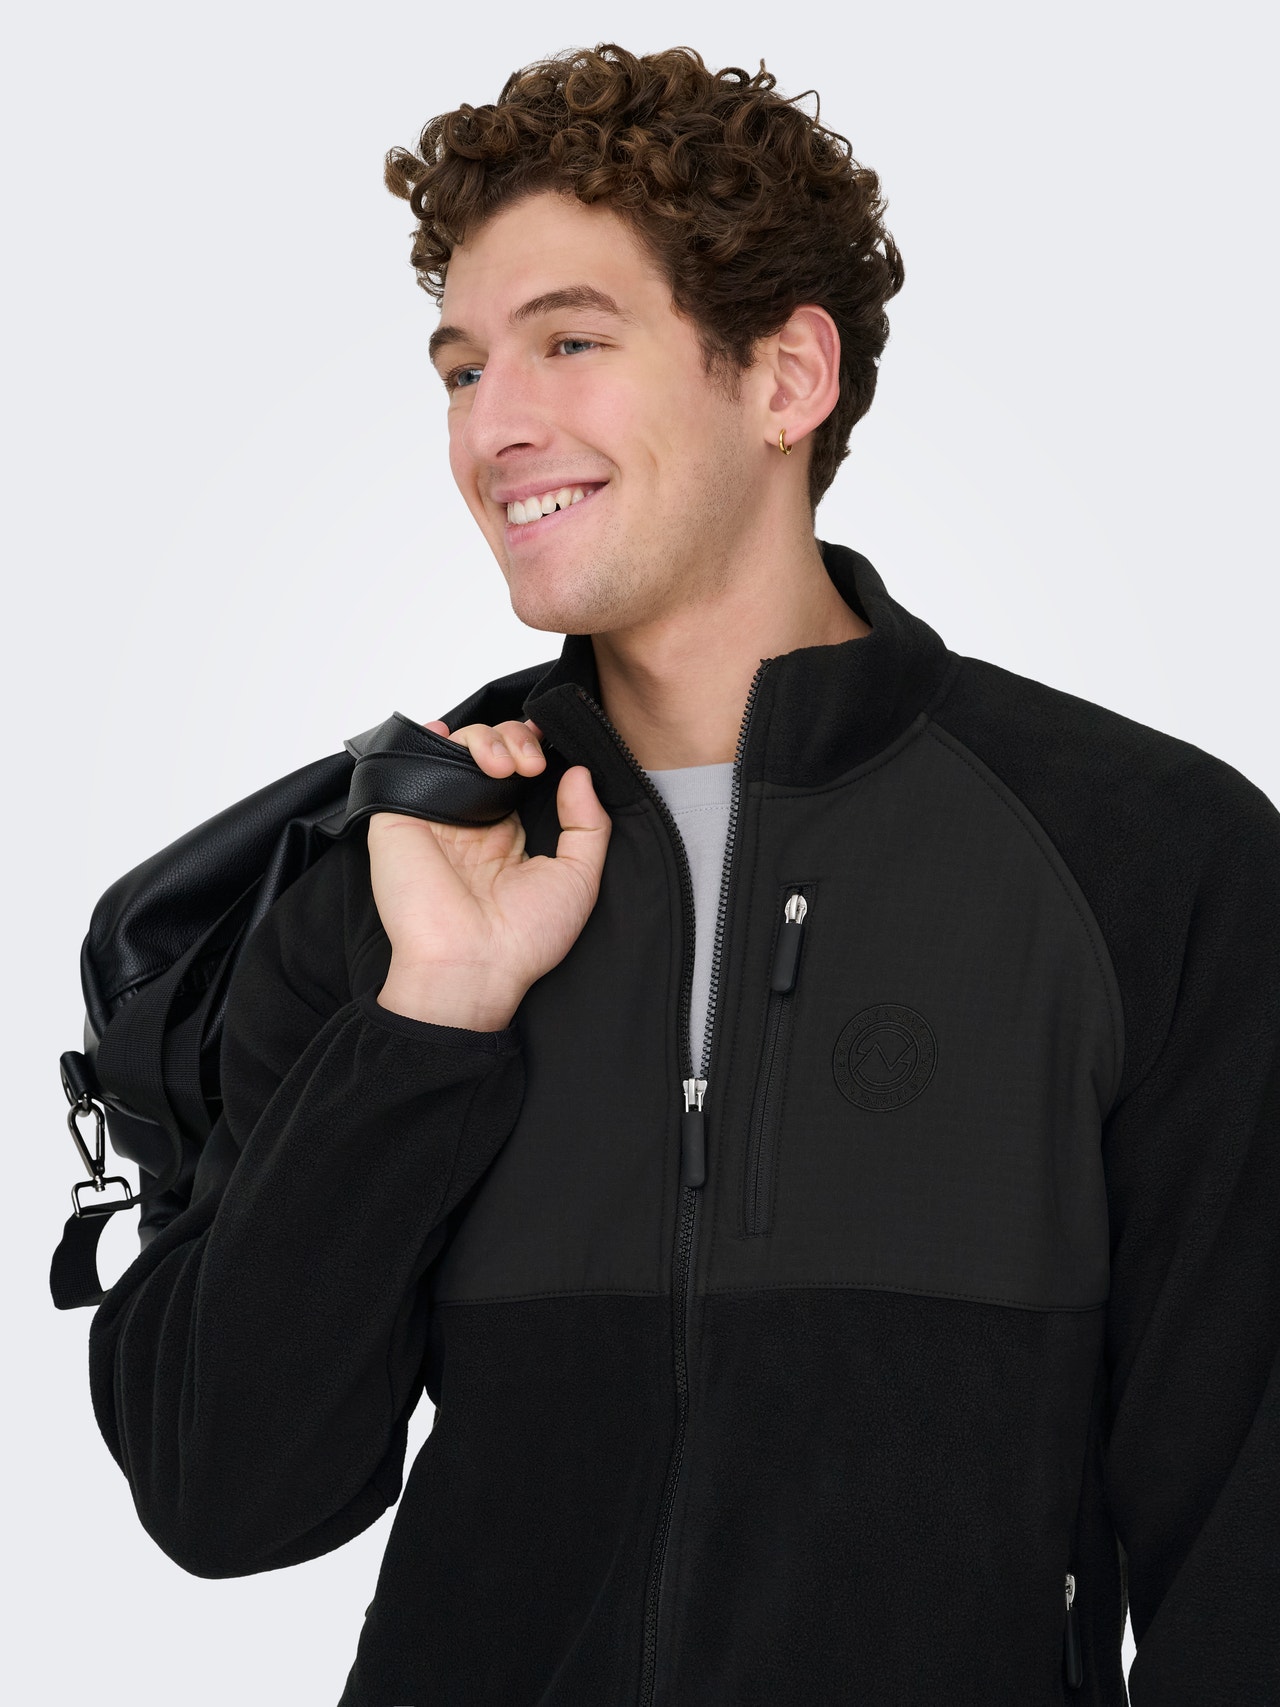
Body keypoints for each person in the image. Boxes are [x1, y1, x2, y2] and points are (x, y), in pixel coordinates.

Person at [87, 42, 1280, 1707]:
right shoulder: (399, 872)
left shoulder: (1145, 856)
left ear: (787, 378)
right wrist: (428, 1024)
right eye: (460, 369)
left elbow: (1246, 1545)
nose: (494, 425)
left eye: (570, 341)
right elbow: (227, 1497)